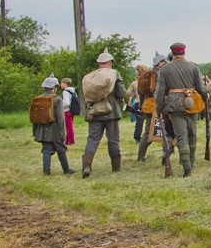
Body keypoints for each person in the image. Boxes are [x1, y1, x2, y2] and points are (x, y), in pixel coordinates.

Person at [155, 42, 208, 177]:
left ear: (172, 54)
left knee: (181, 137)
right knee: (192, 134)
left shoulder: (165, 69)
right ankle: (190, 163)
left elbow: (160, 91)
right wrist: (206, 98)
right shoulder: (193, 67)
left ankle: (187, 169)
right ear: (184, 52)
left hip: (174, 105)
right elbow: (201, 87)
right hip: (193, 103)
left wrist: (159, 107)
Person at [81, 48, 126, 178]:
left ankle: (87, 166)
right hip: (111, 110)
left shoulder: (91, 75)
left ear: (99, 63)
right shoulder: (114, 73)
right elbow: (121, 92)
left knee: (92, 139)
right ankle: (116, 168)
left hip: (95, 109)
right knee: (113, 140)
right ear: (110, 62)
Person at [32, 74, 75, 175]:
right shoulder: (57, 99)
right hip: (55, 130)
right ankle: (66, 170)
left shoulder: (38, 99)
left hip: (42, 130)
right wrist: (62, 133)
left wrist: (35, 131)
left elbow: (35, 118)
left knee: (46, 150)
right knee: (61, 150)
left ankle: (46, 172)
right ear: (53, 88)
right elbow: (61, 118)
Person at [136, 52, 168, 161]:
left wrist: (141, 107)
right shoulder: (163, 74)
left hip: (148, 105)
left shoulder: (147, 75)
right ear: (160, 63)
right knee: (165, 130)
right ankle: (166, 155)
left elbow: (141, 94)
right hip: (161, 105)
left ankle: (141, 157)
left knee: (148, 132)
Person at [126, 64, 146, 144]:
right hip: (147, 102)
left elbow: (128, 92)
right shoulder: (147, 81)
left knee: (139, 122)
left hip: (138, 102)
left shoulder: (135, 83)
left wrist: (134, 95)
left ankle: (137, 138)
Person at [60, 77, 77, 146]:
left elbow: (66, 103)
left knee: (68, 126)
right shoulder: (73, 91)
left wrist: (60, 106)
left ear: (65, 84)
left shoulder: (65, 92)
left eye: (62, 83)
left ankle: (71, 140)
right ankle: (67, 140)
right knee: (69, 125)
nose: (61, 84)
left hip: (66, 111)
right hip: (71, 110)